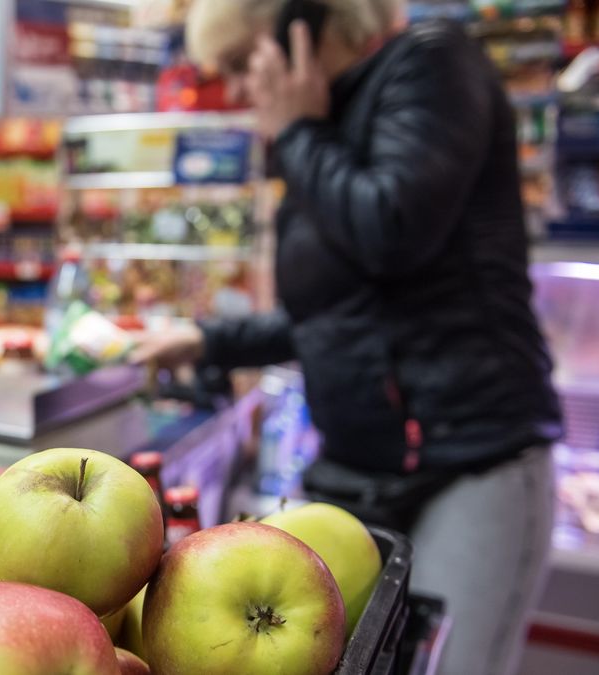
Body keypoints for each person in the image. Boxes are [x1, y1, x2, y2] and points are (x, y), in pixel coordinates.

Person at [132, 1, 563, 673]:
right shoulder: (328, 125)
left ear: (304, 24)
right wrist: (208, 338)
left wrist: (299, 131)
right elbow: (339, 316)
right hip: (363, 466)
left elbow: (393, 229)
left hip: (473, 460)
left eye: (244, 63)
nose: (241, 91)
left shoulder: (430, 65)